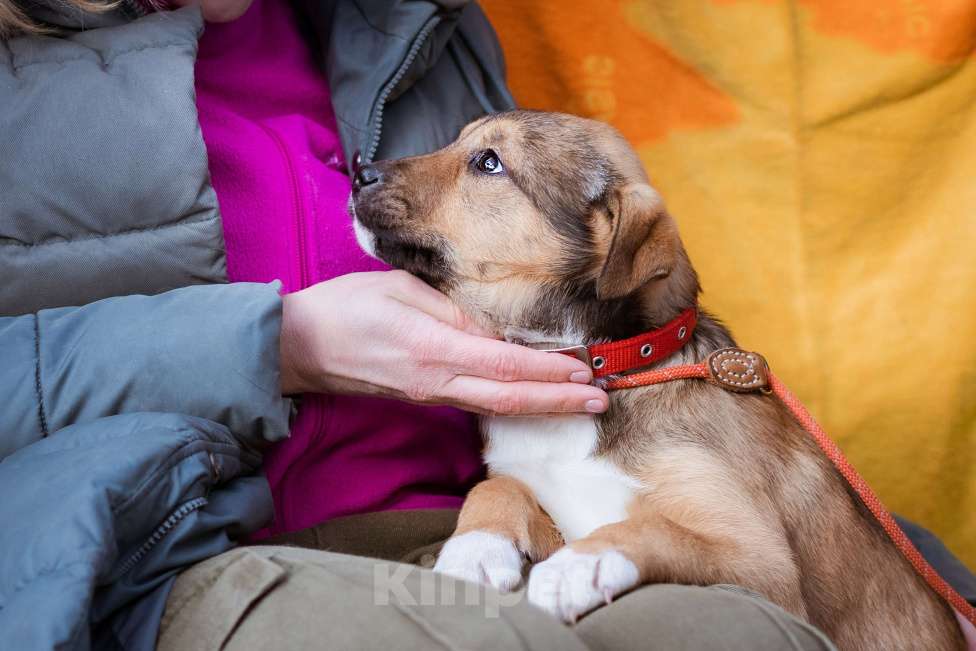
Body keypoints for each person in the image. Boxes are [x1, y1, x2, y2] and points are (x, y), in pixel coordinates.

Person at [0, 1, 969, 650]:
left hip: (476, 515)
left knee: (739, 635)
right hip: (173, 549)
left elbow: (576, 298)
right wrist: (275, 346)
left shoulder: (412, 22)